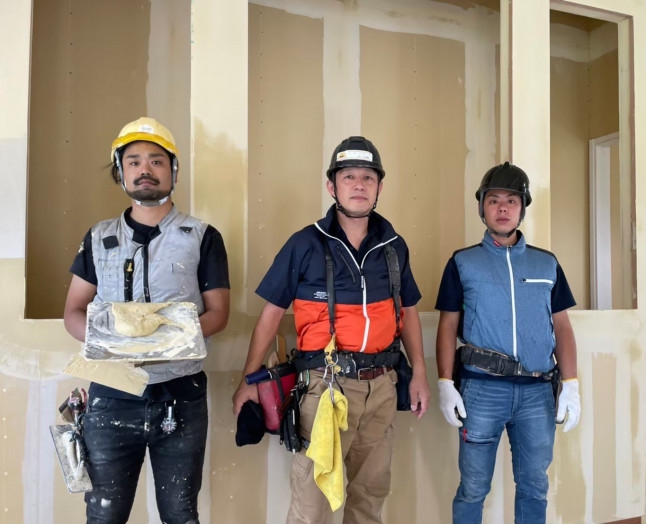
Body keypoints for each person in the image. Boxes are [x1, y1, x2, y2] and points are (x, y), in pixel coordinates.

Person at [232, 136, 430, 524]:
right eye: (349, 176)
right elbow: (270, 315)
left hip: (383, 387)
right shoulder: (305, 244)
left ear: (380, 187)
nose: (359, 185)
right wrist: (248, 380)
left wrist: (419, 372)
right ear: (331, 186)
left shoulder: (394, 247)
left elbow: (408, 311)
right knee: (312, 506)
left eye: (368, 177)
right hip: (326, 390)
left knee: (369, 499)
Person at [63, 117, 230, 524]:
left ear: (173, 171)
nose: (145, 170)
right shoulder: (99, 237)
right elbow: (73, 312)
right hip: (111, 395)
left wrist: (166, 341)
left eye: (156, 161)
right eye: (134, 161)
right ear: (121, 172)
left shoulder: (201, 236)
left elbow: (219, 313)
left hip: (180, 395)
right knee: (105, 515)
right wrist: (111, 344)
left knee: (179, 513)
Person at [434, 162, 581, 524]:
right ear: (482, 207)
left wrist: (571, 384)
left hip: (537, 393)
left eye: (511, 201)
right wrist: (445, 383)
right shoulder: (462, 262)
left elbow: (562, 326)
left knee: (534, 487)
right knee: (473, 488)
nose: (502, 208)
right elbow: (447, 326)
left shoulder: (546, 264)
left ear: (522, 208)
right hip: (482, 391)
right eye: (494, 200)